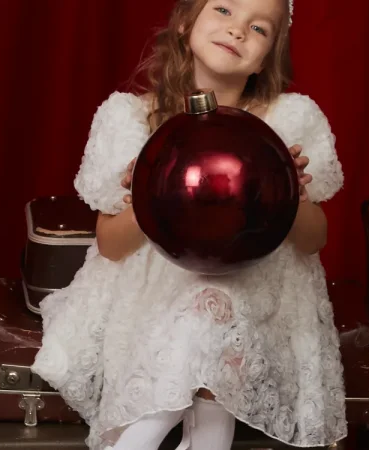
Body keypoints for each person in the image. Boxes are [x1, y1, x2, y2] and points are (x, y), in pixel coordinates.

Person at [31, 0, 346, 449]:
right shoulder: (129, 117)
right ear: (184, 23)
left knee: (215, 307)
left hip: (259, 290)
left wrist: (284, 188)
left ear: (268, 57)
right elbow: (112, 245)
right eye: (224, 9)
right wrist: (149, 192)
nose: (237, 30)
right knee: (206, 311)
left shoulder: (290, 119)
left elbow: (314, 240)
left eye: (259, 28)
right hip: (154, 293)